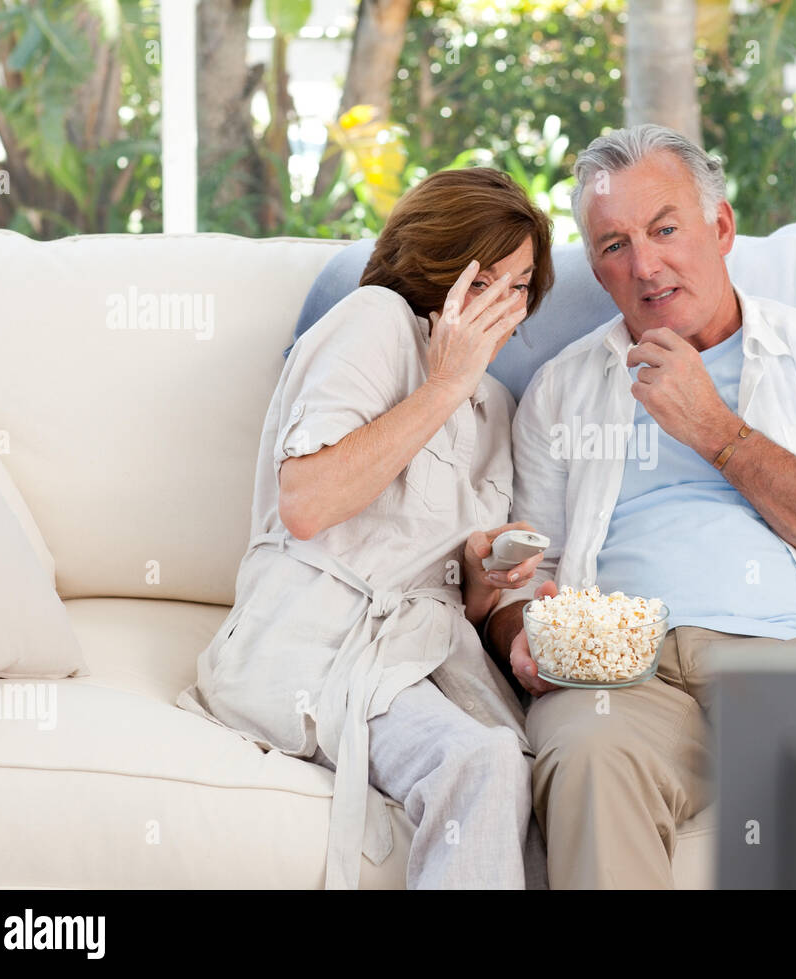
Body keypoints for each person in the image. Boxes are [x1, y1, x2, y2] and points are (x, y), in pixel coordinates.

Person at [483, 124, 796, 888]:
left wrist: (718, 433)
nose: (645, 265)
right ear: (596, 265)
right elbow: (526, 570)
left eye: (665, 229)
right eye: (614, 244)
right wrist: (523, 630)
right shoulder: (561, 388)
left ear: (721, 228)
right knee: (584, 753)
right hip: (624, 676)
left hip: (793, 660)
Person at [175, 167, 555, 890]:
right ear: (435, 270)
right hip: (317, 640)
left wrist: (483, 571)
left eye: (519, 287)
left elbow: (463, 599)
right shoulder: (375, 321)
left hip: (425, 653)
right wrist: (444, 385)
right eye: (482, 283)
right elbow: (308, 503)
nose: (501, 309)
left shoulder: (498, 406)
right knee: (479, 759)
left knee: (528, 765)